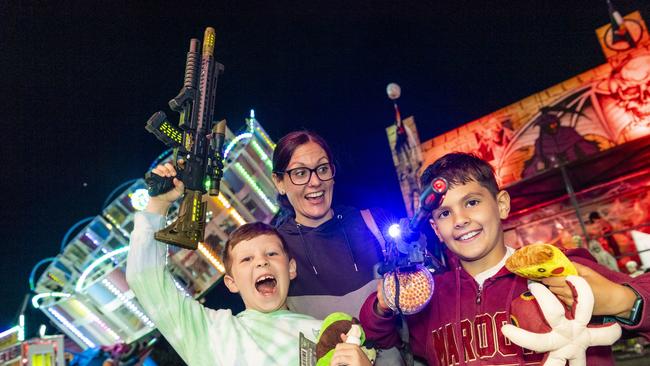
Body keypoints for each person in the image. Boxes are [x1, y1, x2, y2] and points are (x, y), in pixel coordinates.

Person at [359, 152, 650, 366]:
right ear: (435, 228)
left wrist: (621, 300)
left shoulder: (560, 269)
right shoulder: (433, 298)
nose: (460, 220)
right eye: (445, 213)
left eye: (472, 202)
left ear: (501, 205)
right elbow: (383, 339)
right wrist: (383, 305)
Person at [126, 162, 370, 366]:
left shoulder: (328, 333)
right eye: (246, 259)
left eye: (272, 254)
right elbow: (146, 280)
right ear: (231, 282)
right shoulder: (214, 333)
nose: (262, 262)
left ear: (291, 268)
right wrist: (157, 205)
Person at [271, 131, 407, 364]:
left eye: (322, 169)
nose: (315, 182)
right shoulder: (275, 251)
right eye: (300, 173)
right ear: (279, 182)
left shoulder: (373, 223)